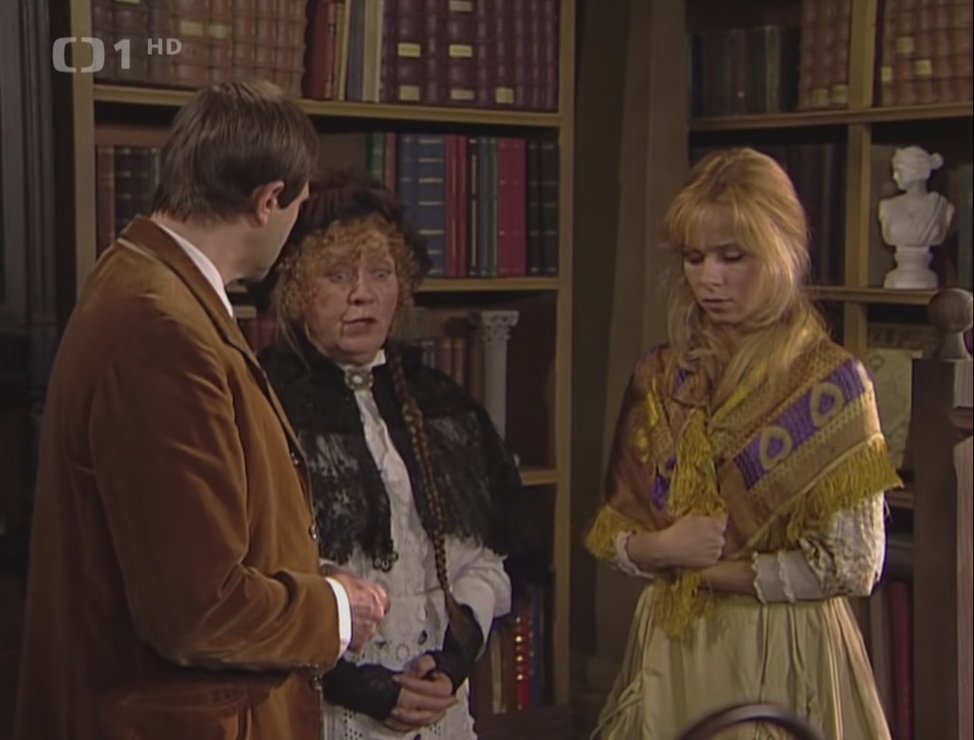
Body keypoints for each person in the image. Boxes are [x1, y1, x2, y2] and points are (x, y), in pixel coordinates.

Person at [14, 81, 389, 740]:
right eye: (298, 204)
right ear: (267, 201)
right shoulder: (162, 332)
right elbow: (197, 610)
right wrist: (333, 610)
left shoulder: (147, 282)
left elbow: (192, 534)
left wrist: (300, 574)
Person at [583, 147, 902, 739]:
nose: (710, 279)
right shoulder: (660, 378)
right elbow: (614, 534)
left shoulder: (831, 385)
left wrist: (706, 572)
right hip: (673, 648)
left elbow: (853, 565)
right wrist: (664, 547)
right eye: (695, 258)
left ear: (781, 251)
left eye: (733, 257)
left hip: (784, 649)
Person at [258, 169, 537, 739]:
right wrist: (359, 686)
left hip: (437, 705)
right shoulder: (265, 405)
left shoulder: (443, 405)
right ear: (295, 287)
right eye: (338, 275)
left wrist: (452, 663)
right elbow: (255, 580)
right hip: (323, 708)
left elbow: (494, 556)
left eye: (380, 274)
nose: (363, 294)